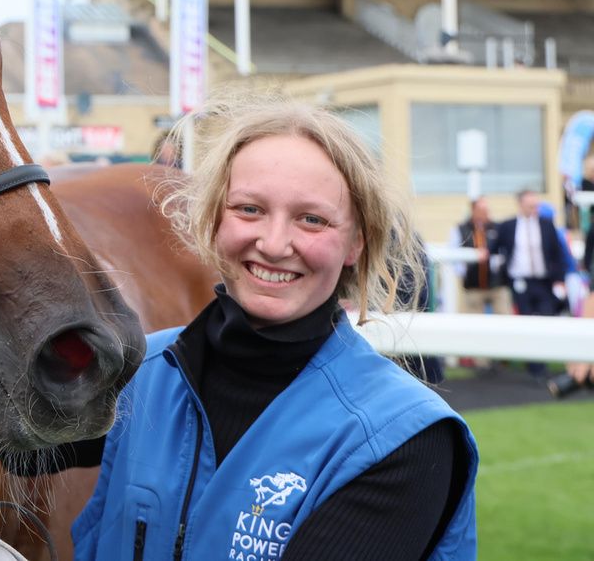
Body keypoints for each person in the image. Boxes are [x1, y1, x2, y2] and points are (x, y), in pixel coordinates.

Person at [62, 91, 476, 561]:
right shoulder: (137, 377)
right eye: (250, 209)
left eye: (311, 219)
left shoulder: (406, 437)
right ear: (214, 219)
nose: (275, 243)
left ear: (356, 244)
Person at [491, 189, 566, 379]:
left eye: (536, 205)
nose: (534, 209)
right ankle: (535, 368)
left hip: (543, 282)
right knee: (526, 321)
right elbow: (494, 248)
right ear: (520, 204)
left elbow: (557, 254)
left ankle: (543, 360)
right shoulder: (508, 226)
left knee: (546, 319)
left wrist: (559, 280)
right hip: (520, 282)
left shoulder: (546, 225)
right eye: (530, 205)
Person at [448, 197, 511, 317]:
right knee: (473, 319)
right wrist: (463, 271)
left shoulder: (497, 228)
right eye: (481, 210)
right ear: (473, 210)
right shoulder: (461, 229)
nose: (485, 213)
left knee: (503, 316)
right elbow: (454, 252)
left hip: (497, 284)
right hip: (473, 285)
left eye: (486, 210)